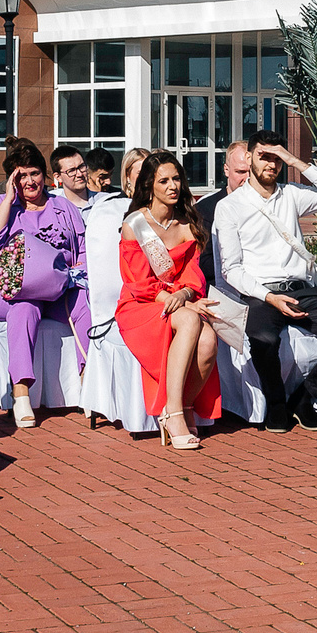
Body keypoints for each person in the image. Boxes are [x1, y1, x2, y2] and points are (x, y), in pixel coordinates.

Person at [213, 130, 317, 432]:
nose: (271, 164)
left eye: (277, 158)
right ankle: (276, 404)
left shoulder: (292, 194)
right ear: (249, 157)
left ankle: (303, 399)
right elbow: (231, 269)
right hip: (260, 295)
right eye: (264, 156)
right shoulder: (230, 206)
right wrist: (269, 298)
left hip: (301, 292)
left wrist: (294, 160)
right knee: (264, 340)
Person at [0, 137, 93, 430]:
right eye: (22, 175)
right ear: (12, 179)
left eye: (35, 173)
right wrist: (8, 199)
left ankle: (89, 382)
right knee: (25, 308)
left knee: (84, 305)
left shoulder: (62, 206)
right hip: (10, 291)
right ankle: (21, 393)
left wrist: (77, 273)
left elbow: (82, 248)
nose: (29, 181)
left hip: (58, 290)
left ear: (44, 174)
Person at [114, 152, 221, 452]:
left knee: (208, 341)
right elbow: (138, 281)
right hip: (140, 304)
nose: (173, 186)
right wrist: (178, 302)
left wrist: (184, 296)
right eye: (164, 181)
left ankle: (183, 406)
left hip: (178, 300)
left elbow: (192, 277)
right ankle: (173, 414)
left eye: (176, 179)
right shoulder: (135, 224)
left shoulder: (187, 224)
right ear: (149, 185)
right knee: (189, 319)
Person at [194, 142, 247, 300]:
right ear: (226, 170)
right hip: (221, 294)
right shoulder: (205, 209)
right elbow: (203, 262)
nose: (247, 179)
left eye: (253, 172)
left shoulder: (268, 205)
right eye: (241, 172)